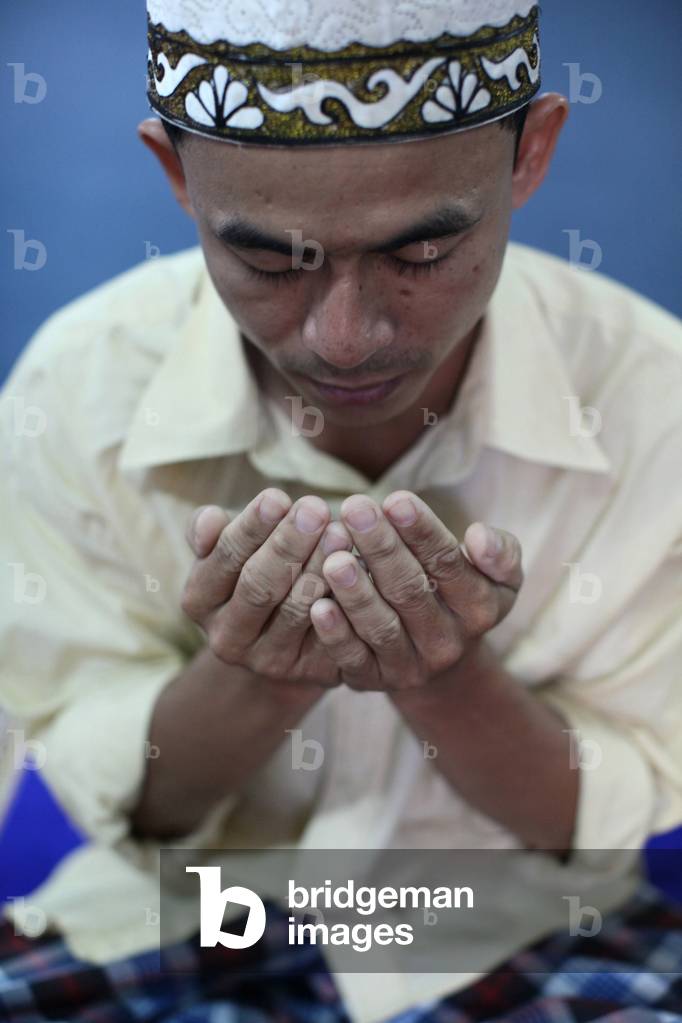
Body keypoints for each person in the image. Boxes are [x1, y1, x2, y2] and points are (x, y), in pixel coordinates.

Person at [1, 1, 681, 1021]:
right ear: (177, 177)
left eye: (419, 254)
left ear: (530, 153)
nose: (345, 339)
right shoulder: (77, 388)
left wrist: (447, 681)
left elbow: (594, 825)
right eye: (272, 261)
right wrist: (255, 677)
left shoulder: (653, 402)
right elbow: (142, 809)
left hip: (523, 926)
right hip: (171, 919)